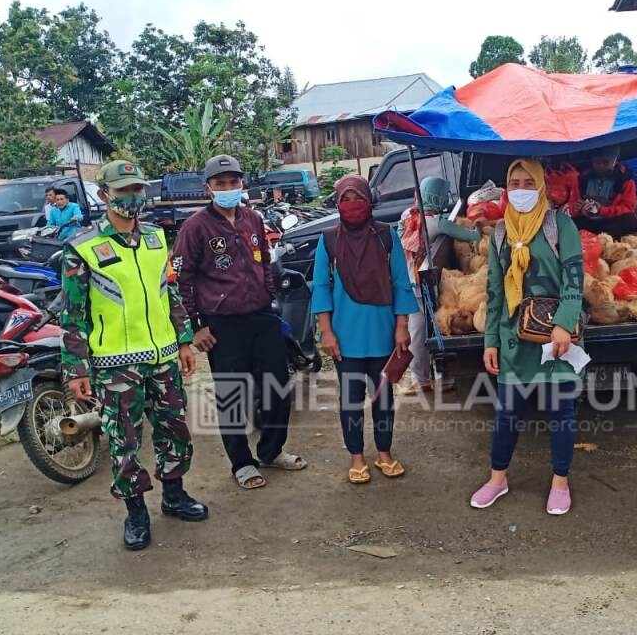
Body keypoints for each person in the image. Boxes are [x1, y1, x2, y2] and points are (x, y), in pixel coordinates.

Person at [60, 160, 206, 551]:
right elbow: (73, 315)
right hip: (115, 365)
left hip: (163, 358)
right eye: (123, 190)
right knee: (123, 440)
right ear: (104, 194)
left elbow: (170, 295)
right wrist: (75, 367)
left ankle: (174, 495)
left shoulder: (158, 240)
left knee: (174, 430)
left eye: (137, 189)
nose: (132, 197)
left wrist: (185, 341)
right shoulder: (83, 248)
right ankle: (136, 512)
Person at [172, 154, 305, 491]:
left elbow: (264, 264)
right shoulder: (195, 227)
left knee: (277, 389)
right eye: (221, 184)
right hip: (221, 324)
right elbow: (182, 280)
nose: (229, 188)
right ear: (209, 188)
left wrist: (269, 296)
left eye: (234, 182)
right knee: (232, 395)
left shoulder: (253, 219)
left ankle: (271, 451)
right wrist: (195, 327)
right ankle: (242, 463)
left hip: (262, 317)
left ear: (242, 184)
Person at [471, 159, 584, 516]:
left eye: (527, 182)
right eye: (514, 183)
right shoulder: (502, 232)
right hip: (513, 337)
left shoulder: (559, 225)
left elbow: (574, 279)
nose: (520, 189)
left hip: (555, 337)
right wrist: (490, 339)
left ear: (540, 186)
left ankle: (560, 482)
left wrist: (565, 323)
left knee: (561, 412)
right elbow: (493, 290)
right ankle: (497, 478)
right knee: (507, 412)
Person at [312, 175, 418, 484]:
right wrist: (326, 332)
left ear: (369, 200)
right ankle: (357, 457)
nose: (351, 204)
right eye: (345, 199)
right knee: (351, 400)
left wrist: (402, 326)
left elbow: (401, 282)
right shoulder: (329, 239)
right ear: (337, 203)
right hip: (345, 337)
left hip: (383, 333)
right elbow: (320, 287)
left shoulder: (386, 236)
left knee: (383, 399)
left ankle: (384, 453)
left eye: (357, 197)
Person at [397, 176, 480, 394]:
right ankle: (422, 379)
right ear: (438, 197)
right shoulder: (436, 223)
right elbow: (470, 235)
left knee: (420, 327)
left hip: (407, 278)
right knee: (422, 329)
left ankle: (428, 376)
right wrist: (480, 226)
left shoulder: (409, 215)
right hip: (419, 283)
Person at [571, 146, 637, 237]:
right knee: (569, 223)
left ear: (615, 160)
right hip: (588, 221)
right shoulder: (582, 177)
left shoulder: (624, 180)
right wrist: (578, 208)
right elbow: (573, 205)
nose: (601, 166)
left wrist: (603, 211)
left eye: (606, 162)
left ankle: (602, 236)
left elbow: (628, 207)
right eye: (597, 162)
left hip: (610, 220)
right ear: (592, 161)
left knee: (630, 220)